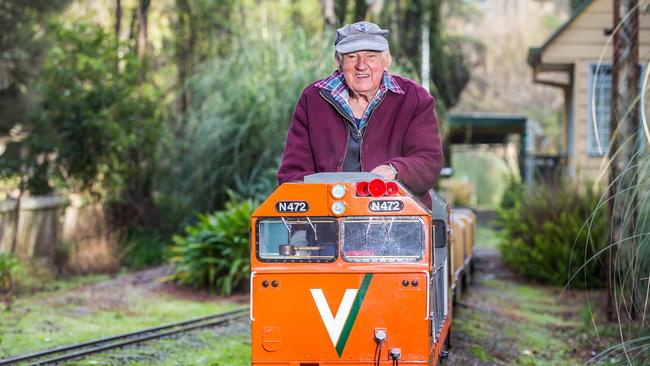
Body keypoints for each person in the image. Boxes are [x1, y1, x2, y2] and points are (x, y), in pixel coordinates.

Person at [277, 21, 443, 207]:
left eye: (371, 56)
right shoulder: (313, 99)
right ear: (338, 61)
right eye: (352, 56)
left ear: (387, 61)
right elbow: (291, 175)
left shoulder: (414, 98)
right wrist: (325, 197)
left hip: (397, 218)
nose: (362, 65)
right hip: (325, 219)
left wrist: (394, 170)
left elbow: (429, 162)